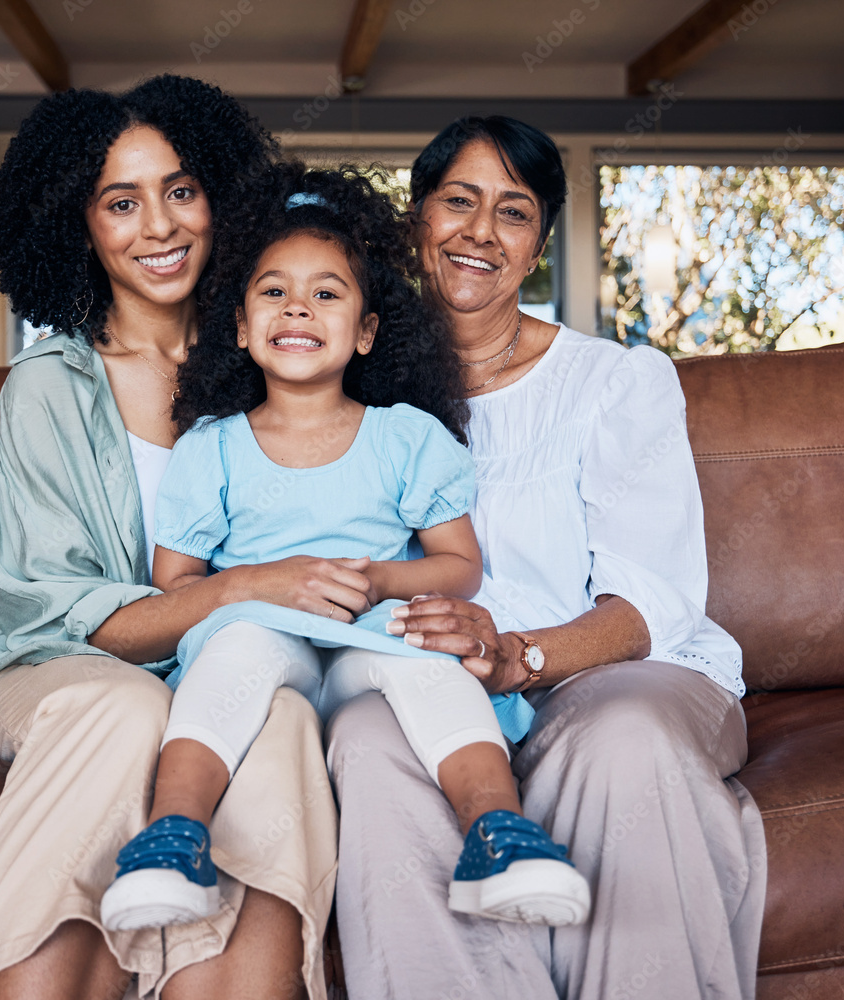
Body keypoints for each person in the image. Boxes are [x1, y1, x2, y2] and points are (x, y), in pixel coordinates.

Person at [326, 116, 767, 1000]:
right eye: (458, 202)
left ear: (537, 246)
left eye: (513, 212)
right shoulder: (358, 390)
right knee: (368, 741)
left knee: (621, 740)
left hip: (614, 671)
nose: (480, 232)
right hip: (434, 690)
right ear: (417, 222)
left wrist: (518, 656)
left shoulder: (614, 383)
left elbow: (651, 601)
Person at [97, 164, 591, 936]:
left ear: (365, 330)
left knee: (433, 656)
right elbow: (176, 583)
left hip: (372, 633)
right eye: (273, 292)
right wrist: (260, 587)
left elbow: (460, 564)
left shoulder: (405, 437)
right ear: (238, 324)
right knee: (236, 647)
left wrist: (380, 581)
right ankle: (172, 839)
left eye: (326, 293)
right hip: (265, 636)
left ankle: (501, 835)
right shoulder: (212, 447)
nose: (298, 306)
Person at [0, 76, 344, 1000]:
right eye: (121, 203)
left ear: (221, 198)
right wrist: (247, 586)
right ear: (77, 225)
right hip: (50, 675)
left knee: (279, 718)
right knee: (126, 710)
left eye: (180, 190)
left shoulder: (275, 363)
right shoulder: (51, 386)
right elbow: (58, 609)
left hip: (222, 672)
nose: (159, 226)